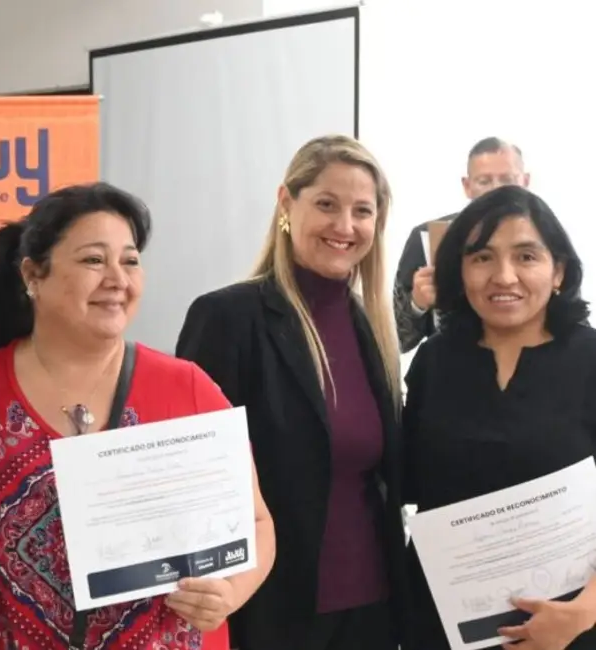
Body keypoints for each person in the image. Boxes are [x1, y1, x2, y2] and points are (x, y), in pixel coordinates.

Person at [0, 182, 276, 650]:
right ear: (33, 274)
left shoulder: (187, 389)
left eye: (130, 261)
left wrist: (229, 592)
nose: (117, 279)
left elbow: (257, 524)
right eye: (94, 260)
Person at [175, 135, 409, 650]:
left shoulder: (371, 328)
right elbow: (194, 475)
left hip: (373, 608)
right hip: (272, 608)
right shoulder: (229, 318)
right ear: (286, 203)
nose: (344, 226)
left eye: (362, 211)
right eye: (326, 204)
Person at [402, 185, 596, 650]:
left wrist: (585, 611)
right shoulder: (434, 360)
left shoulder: (590, 359)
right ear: (459, 270)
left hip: (565, 627)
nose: (503, 276)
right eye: (482, 258)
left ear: (558, 271)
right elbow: (410, 483)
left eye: (526, 256)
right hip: (443, 625)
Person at [395, 137, 530, 352]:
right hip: (452, 365)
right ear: (467, 186)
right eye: (484, 181)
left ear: (525, 182)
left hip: (532, 364)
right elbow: (395, 343)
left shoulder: (547, 237)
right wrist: (416, 305)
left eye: (507, 179)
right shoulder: (426, 238)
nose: (496, 190)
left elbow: (575, 320)